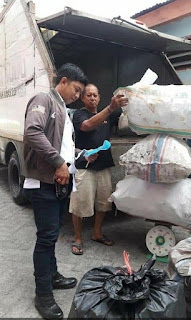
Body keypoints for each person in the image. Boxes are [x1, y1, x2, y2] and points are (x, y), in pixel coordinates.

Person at [23, 63, 88, 319]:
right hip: (44, 182)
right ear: (63, 81)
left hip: (61, 183)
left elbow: (63, 145)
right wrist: (59, 163)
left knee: (52, 235)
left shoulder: (63, 108)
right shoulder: (44, 99)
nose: (78, 95)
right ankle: (43, 295)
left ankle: (52, 275)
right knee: (46, 238)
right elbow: (32, 131)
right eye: (76, 89)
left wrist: (78, 157)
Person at [69, 83, 128, 255]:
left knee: (103, 204)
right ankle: (78, 238)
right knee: (79, 205)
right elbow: (87, 126)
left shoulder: (108, 114)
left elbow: (125, 110)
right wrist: (110, 108)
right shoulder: (79, 114)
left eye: (95, 95)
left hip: (103, 166)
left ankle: (96, 233)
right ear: (83, 98)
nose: (92, 98)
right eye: (89, 95)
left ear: (99, 97)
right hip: (84, 167)